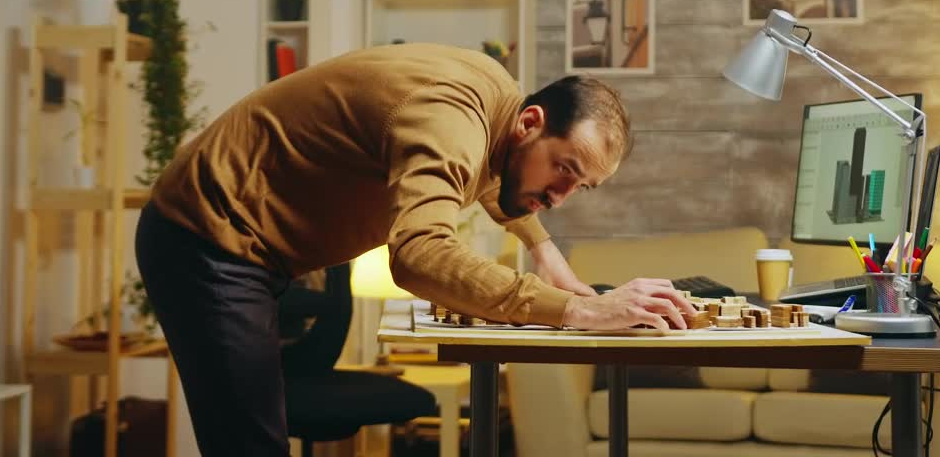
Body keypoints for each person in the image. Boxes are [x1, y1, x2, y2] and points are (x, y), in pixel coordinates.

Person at [135, 42, 697, 456]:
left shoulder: (497, 101)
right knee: (249, 447)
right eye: (565, 170)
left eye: (581, 185)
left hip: (249, 246)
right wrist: (579, 310)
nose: (562, 195)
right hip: (205, 234)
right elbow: (418, 254)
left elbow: (490, 174)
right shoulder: (449, 119)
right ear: (531, 122)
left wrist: (546, 253)